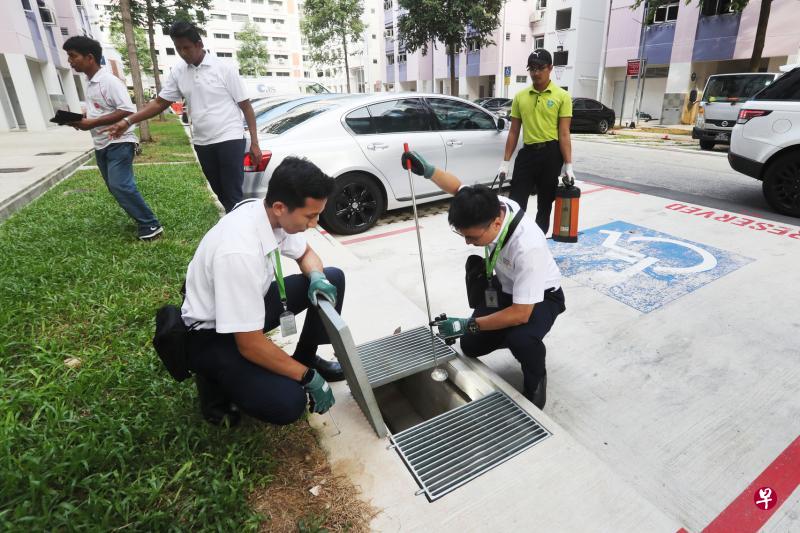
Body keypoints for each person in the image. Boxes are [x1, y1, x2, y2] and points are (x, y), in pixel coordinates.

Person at [181, 157, 346, 426]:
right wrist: (305, 378)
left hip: (249, 300)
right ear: (281, 207)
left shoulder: (269, 214)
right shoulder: (239, 251)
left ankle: (304, 359)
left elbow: (306, 253)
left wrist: (316, 275)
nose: (315, 223)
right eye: (310, 216)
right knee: (289, 403)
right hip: (212, 333)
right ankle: (214, 386)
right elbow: (249, 344)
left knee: (332, 279)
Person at [401, 151, 565, 409]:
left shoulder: (528, 247)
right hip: (505, 287)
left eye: (473, 237)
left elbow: (521, 313)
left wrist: (470, 323)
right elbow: (456, 187)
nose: (468, 242)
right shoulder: (487, 204)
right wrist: (427, 169)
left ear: (496, 223)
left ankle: (536, 376)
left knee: (521, 338)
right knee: (471, 346)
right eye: (463, 235)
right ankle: (505, 332)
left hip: (541, 296)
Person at [104, 21, 262, 213]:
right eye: (178, 48)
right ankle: (238, 223)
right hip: (202, 142)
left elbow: (246, 107)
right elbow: (160, 103)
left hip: (230, 138)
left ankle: (240, 233)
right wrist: (128, 121)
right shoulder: (179, 71)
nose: (182, 53)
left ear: (199, 44)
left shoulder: (224, 68)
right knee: (219, 191)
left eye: (186, 47)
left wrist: (254, 142)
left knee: (233, 193)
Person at [62, 36, 163, 241]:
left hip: (120, 141)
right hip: (101, 143)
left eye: (73, 56)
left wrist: (92, 123)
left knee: (120, 185)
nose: (70, 61)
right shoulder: (90, 83)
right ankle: (144, 221)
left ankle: (151, 225)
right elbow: (101, 112)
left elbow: (126, 109)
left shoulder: (108, 81)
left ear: (89, 57)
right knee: (115, 187)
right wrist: (83, 120)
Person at [499, 49, 574, 234]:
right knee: (515, 204)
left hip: (551, 155)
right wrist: (505, 162)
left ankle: (538, 244)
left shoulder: (562, 96)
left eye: (540, 68)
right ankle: (515, 241)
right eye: (532, 68)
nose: (536, 73)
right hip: (527, 154)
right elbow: (514, 132)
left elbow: (564, 134)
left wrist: (569, 166)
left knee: (545, 204)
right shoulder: (520, 97)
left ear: (550, 68)